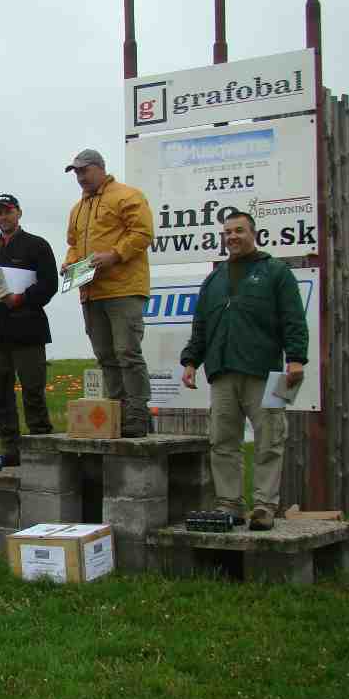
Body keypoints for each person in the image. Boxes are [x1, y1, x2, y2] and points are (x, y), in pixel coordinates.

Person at [179, 212, 309, 531]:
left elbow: (293, 317)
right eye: (227, 232)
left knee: (270, 439)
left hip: (267, 371)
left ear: (254, 234)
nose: (232, 237)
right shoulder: (214, 279)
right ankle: (230, 505)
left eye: (239, 230)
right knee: (222, 441)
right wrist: (191, 361)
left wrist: (296, 358)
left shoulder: (276, 271)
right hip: (222, 372)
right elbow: (201, 325)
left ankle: (264, 506)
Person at [61, 148, 156, 438]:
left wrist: (115, 255)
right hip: (91, 292)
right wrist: (69, 263)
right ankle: (119, 413)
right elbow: (74, 244)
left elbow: (143, 233)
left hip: (123, 288)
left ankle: (138, 416)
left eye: (84, 170)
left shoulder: (127, 195)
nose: (80, 177)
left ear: (100, 168)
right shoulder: (77, 209)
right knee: (105, 355)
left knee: (127, 352)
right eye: (76, 172)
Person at [0, 193, 59, 466]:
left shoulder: (38, 245)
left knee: (33, 389)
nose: (3, 217)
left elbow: (49, 284)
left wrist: (23, 298)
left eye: (7, 211)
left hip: (28, 325)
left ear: (19, 212)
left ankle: (41, 447)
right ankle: (10, 448)